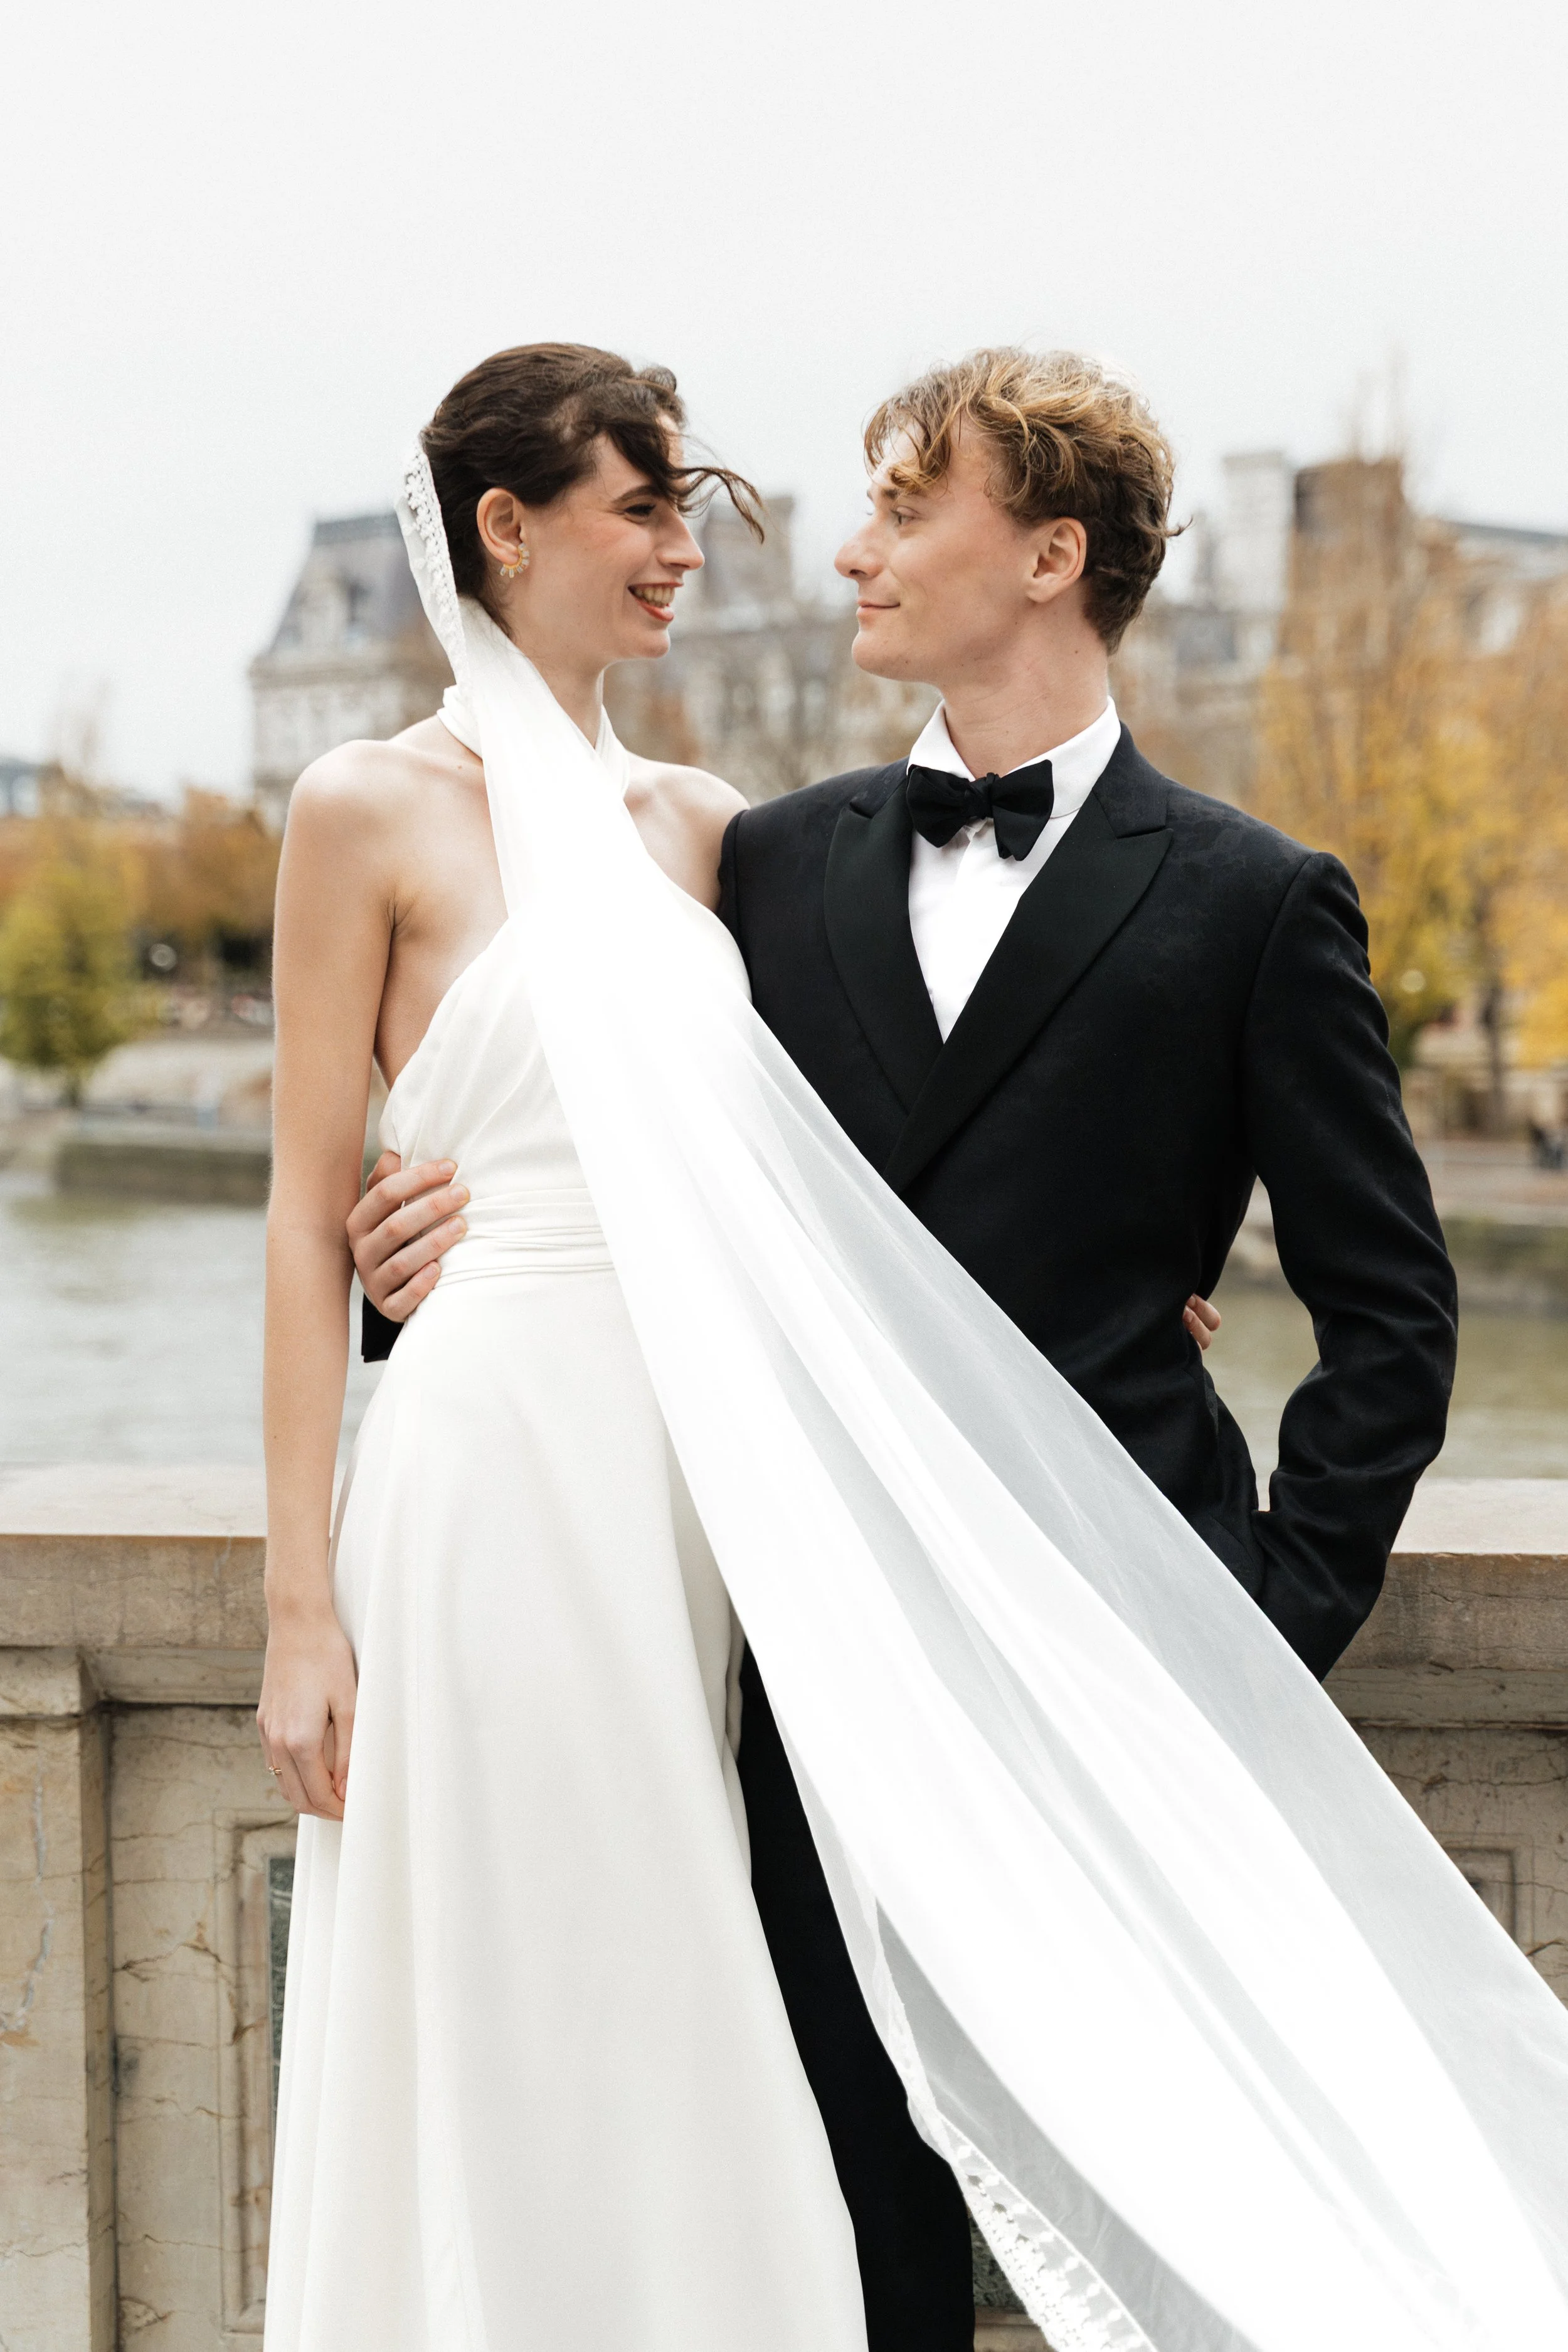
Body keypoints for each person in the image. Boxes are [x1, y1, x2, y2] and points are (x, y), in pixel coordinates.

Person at [290, 341, 1568, 2352]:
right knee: (834, 2190)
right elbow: (630, 1161)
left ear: (1049, 554)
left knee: (1198, 2190)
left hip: (1111, 1654)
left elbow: (1392, 1312)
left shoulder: (1251, 901)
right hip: (802, 1655)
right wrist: (408, 1261)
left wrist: (1249, 1623)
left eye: (905, 507)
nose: (852, 546)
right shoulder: (759, 860)